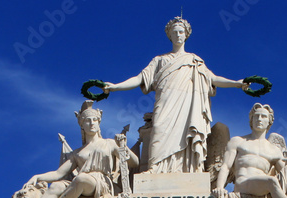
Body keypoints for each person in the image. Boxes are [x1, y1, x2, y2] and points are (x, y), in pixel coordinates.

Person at [102, 17, 250, 173]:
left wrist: (237, 83)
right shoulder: (159, 60)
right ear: (169, 35)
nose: (178, 35)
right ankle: (155, 169)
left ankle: (189, 169)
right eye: (175, 32)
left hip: (188, 106)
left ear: (186, 35)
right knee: (158, 129)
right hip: (165, 104)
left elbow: (213, 78)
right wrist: (115, 87)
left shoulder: (195, 60)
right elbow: (140, 78)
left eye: (181, 32)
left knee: (188, 133)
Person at [11, 101, 137, 198]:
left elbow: (135, 162)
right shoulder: (77, 153)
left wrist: (123, 148)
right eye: (88, 121)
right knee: (56, 186)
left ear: (99, 122)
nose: (92, 123)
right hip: (81, 183)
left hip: (100, 183)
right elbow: (58, 174)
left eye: (95, 120)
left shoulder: (110, 143)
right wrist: (37, 177)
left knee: (81, 178)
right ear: (82, 125)